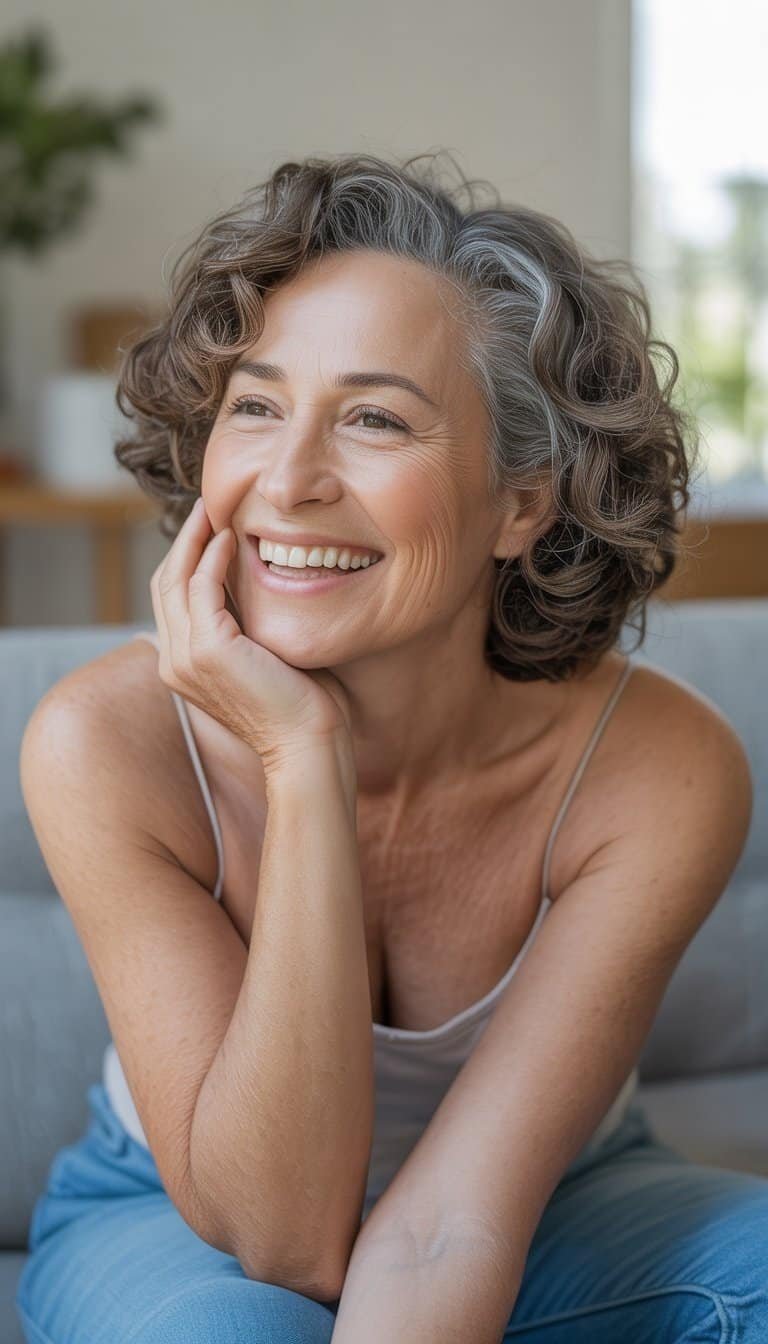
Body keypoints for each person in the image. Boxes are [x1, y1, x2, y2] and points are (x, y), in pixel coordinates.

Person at [16, 151, 763, 1343]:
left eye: (373, 419)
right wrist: (300, 759)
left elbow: (450, 1228)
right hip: (173, 1211)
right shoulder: (102, 743)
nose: (289, 482)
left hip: (560, 1193)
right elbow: (286, 1234)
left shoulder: (658, 766)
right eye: (255, 406)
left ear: (524, 502)